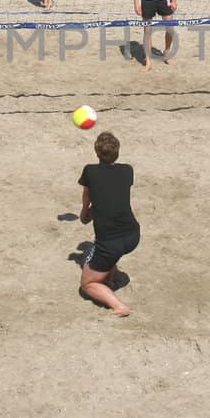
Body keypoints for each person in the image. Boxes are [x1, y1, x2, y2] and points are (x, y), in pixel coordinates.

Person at [77, 131, 139, 317]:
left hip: (110, 244)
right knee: (111, 250)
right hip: (133, 235)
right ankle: (109, 279)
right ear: (117, 152)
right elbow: (110, 194)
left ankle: (119, 306)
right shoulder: (128, 170)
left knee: (87, 284)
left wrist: (85, 212)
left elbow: (88, 194)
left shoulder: (90, 171)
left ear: (97, 153)